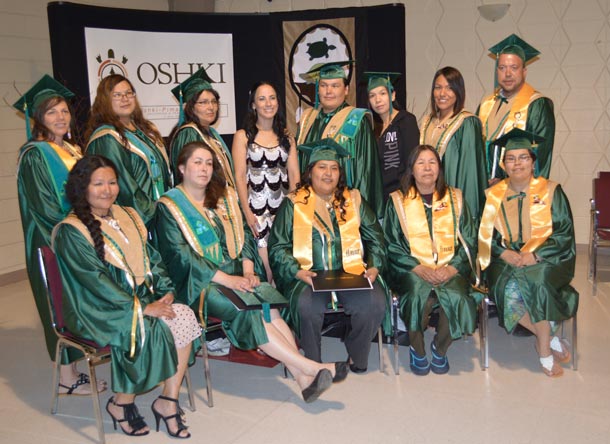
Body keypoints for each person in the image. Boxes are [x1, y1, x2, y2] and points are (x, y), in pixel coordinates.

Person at [153, 141, 345, 403]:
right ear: (182, 168)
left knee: (269, 304)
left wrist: (247, 268)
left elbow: (243, 233)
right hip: (200, 284)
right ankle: (311, 367)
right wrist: (228, 280)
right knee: (250, 312)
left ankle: (303, 379)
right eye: (197, 162)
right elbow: (180, 256)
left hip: (236, 275)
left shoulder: (222, 197)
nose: (205, 169)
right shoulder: (170, 206)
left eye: (209, 163)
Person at [53, 155, 201, 438]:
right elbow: (96, 283)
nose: (107, 190)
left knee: (182, 315)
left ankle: (168, 401)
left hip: (137, 298)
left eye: (112, 182)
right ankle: (121, 403)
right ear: (82, 187)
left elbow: (151, 258)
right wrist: (142, 308)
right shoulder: (72, 231)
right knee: (147, 327)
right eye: (98, 184)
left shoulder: (126, 216)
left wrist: (166, 290)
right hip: (95, 308)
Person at [14, 75, 107, 396]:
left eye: (64, 110)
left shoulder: (71, 149)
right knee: (59, 301)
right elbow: (45, 207)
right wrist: (77, 233)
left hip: (79, 234)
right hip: (52, 239)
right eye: (51, 111)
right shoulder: (35, 154)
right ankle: (67, 377)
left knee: (76, 300)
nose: (60, 116)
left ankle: (76, 366)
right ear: (39, 118)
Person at [269, 139, 388, 373]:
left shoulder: (353, 200)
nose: (328, 173)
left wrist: (374, 266)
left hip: (351, 272)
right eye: (322, 167)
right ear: (310, 171)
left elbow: (376, 238)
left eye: (334, 168)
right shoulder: (294, 203)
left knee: (374, 303)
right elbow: (278, 246)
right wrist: (296, 271)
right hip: (310, 275)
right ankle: (313, 364)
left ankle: (356, 355)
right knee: (306, 307)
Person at [478, 128, 578, 378]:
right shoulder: (493, 195)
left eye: (523, 157)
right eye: (511, 158)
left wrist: (536, 255)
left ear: (534, 162)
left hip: (546, 257)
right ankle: (548, 338)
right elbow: (484, 233)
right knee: (509, 289)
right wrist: (503, 252)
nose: (517, 163)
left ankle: (543, 349)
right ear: (504, 164)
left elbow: (564, 232)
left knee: (538, 281)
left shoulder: (552, 190)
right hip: (505, 260)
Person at [383, 144, 478, 375]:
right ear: (412, 169)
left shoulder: (455, 198)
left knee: (457, 297)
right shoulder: (398, 201)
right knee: (419, 298)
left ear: (439, 168)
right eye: (421, 163)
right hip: (412, 270)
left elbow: (469, 239)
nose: (427, 168)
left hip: (450, 268)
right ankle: (417, 349)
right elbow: (392, 243)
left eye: (432, 162)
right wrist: (417, 267)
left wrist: (453, 268)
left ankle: (440, 348)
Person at [296, 61, 384, 218]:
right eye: (323, 85)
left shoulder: (356, 120)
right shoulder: (308, 120)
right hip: (310, 207)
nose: (328, 91)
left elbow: (365, 173)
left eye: (335, 86)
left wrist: (360, 214)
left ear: (346, 90)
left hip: (345, 210)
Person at [232, 81, 300, 283]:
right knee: (265, 269)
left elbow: (294, 175)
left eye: (272, 98)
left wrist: (295, 212)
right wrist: (247, 213)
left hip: (283, 211)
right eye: (262, 99)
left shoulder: (287, 137)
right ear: (253, 105)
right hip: (256, 212)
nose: (268, 103)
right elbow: (239, 176)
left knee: (283, 265)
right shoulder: (243, 136)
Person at [85, 74, 172, 225]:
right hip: (136, 219)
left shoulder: (145, 131)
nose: (125, 99)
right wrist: (155, 214)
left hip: (158, 212)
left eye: (128, 93)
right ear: (105, 100)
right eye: (117, 95)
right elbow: (125, 187)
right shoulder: (108, 138)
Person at [477, 34, 555, 185]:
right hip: (483, 190)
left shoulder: (537, 105)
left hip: (517, 191)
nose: (507, 74)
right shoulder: (486, 105)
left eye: (514, 68)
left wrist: (506, 185)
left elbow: (539, 155)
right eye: (502, 68)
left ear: (524, 71)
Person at [420, 67, 487, 222]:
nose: (442, 93)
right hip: (427, 201)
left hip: (453, 203)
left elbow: (470, 174)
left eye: (449, 88)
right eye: (438, 87)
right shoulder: (427, 122)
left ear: (458, 91)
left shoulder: (467, 123)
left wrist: (466, 216)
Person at [169, 68, 235, 187]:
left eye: (214, 101)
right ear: (191, 107)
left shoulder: (212, 133)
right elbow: (190, 180)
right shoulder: (188, 134)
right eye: (203, 102)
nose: (211, 107)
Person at [364, 71, 420, 201]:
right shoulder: (374, 129)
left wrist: (404, 193)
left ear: (393, 95)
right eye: (372, 95)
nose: (378, 100)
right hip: (382, 197)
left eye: (382, 93)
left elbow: (411, 160)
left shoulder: (406, 121)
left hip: (402, 195)